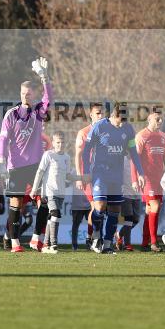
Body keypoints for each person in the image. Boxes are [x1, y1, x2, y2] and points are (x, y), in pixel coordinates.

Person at [0, 57, 53, 253]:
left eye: (29, 93)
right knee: (16, 204)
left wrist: (44, 77)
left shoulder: (39, 111)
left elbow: (49, 99)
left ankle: (36, 239)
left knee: (45, 200)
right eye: (23, 93)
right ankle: (14, 243)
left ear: (34, 94)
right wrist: (1, 164)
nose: (25, 96)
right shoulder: (11, 114)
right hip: (16, 166)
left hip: (36, 165)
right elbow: (3, 141)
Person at [82, 102, 145, 254]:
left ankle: (108, 244)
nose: (122, 122)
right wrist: (85, 171)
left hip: (117, 175)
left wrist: (141, 172)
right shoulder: (99, 127)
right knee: (100, 206)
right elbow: (86, 151)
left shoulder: (128, 129)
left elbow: (133, 152)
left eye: (124, 119)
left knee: (115, 209)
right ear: (112, 115)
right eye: (119, 119)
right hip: (100, 173)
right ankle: (96, 237)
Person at [30, 131, 80, 254]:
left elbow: (68, 175)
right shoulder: (48, 155)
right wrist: (34, 189)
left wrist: (81, 178)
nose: (60, 144)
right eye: (58, 142)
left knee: (51, 218)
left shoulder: (67, 158)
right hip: (48, 191)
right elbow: (40, 172)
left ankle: (45, 245)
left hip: (60, 193)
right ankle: (54, 244)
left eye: (62, 142)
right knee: (55, 214)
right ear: (53, 143)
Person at [136, 112, 165, 252]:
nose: (160, 121)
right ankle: (154, 243)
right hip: (147, 178)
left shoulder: (163, 136)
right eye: (157, 119)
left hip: (159, 178)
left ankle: (145, 242)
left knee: (150, 210)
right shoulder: (141, 135)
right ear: (149, 120)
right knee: (155, 206)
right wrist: (136, 177)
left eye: (161, 119)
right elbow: (135, 159)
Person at [74, 103, 104, 249]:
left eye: (102, 113)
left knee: (102, 206)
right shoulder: (84, 132)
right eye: (98, 113)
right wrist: (80, 176)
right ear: (91, 115)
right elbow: (78, 155)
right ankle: (93, 236)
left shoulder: (107, 131)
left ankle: (93, 236)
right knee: (95, 205)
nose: (101, 116)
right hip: (89, 175)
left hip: (104, 174)